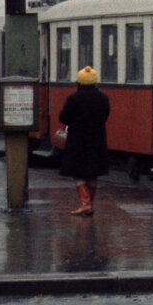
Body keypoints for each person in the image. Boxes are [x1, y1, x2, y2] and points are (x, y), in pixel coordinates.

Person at [59, 66, 110, 216]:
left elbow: (63, 118)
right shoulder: (103, 97)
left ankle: (85, 204)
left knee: (78, 173)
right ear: (95, 82)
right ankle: (89, 204)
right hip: (98, 138)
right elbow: (106, 115)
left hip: (78, 139)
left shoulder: (74, 98)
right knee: (93, 173)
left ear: (79, 82)